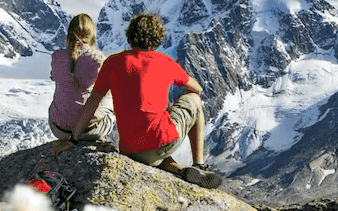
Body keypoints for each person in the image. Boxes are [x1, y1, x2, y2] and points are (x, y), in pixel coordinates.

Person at [68, 11, 221, 189]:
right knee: (193, 100)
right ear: (158, 37)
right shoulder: (164, 61)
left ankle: (177, 169)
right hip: (161, 141)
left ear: (130, 34)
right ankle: (199, 164)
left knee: (151, 148)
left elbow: (93, 101)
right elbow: (197, 88)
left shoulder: (112, 62)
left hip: (130, 149)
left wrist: (73, 139)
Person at [48, 13, 114, 148]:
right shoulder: (98, 59)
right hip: (89, 131)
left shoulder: (57, 56)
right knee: (110, 97)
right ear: (92, 36)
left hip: (59, 130)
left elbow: (55, 77)